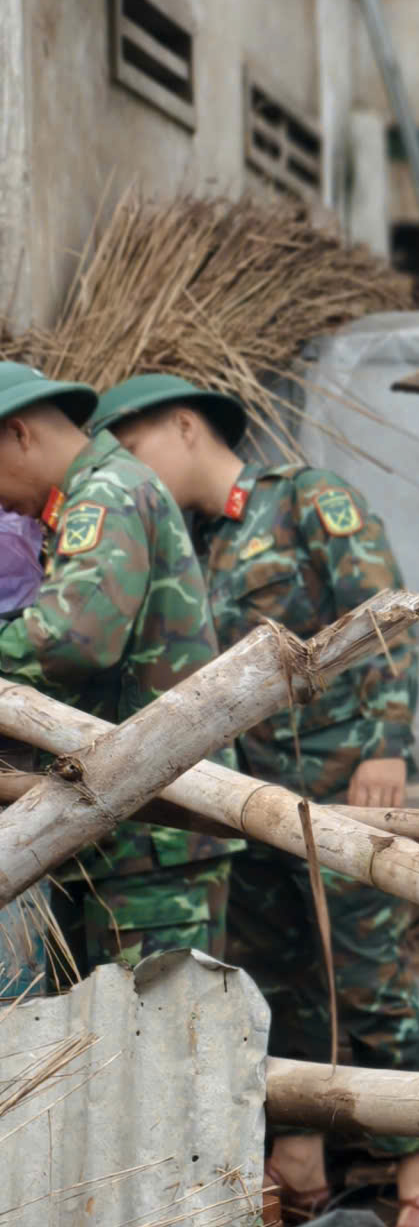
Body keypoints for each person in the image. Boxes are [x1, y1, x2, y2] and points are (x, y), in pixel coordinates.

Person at [90, 373, 419, 1227]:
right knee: (276, 972)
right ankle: (299, 1155)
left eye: (134, 447)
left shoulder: (307, 499)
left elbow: (385, 617)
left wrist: (387, 745)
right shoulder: (184, 543)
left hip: (341, 781)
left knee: (367, 965)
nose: (127, 471)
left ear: (186, 427)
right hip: (242, 798)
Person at [0, 362, 240, 978]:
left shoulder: (107, 491)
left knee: (163, 1038)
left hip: (153, 834)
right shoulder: (83, 500)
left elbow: (73, 638)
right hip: (120, 822)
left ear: (20, 435)